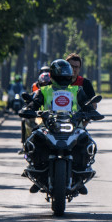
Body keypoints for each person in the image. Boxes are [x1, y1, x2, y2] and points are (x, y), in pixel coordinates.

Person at [22, 59, 93, 194]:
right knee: (32, 141)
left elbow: (87, 104)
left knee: (86, 141)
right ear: (53, 75)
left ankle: (80, 176)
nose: (63, 78)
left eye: (66, 75)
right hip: (48, 125)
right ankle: (38, 174)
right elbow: (35, 103)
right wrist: (29, 109)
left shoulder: (77, 90)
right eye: (60, 75)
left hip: (72, 124)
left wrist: (90, 112)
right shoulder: (43, 90)